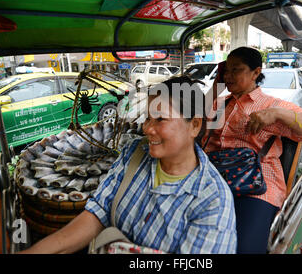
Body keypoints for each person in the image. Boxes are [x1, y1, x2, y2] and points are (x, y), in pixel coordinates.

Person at [20, 75, 237, 254]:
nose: (147, 128)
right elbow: (98, 212)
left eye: (160, 119)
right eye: (147, 118)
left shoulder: (213, 201)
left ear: (195, 125)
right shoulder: (134, 153)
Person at [203, 46, 302, 254]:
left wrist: (279, 115)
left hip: (257, 185)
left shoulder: (272, 106)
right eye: (225, 71)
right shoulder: (218, 103)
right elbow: (190, 125)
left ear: (256, 72)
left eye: (235, 70)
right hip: (211, 178)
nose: (228, 76)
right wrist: (215, 87)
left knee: (243, 249)